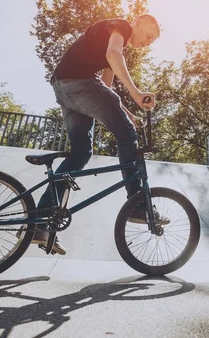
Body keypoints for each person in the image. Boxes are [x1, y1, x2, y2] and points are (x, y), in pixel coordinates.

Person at [30, 14, 167, 255]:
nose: (147, 42)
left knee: (80, 154)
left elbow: (105, 87)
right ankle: (137, 205)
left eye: (152, 42)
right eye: (148, 35)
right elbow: (114, 55)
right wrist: (136, 94)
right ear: (137, 23)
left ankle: (39, 224)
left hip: (65, 89)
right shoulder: (122, 27)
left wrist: (128, 113)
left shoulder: (108, 40)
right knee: (127, 136)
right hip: (78, 84)